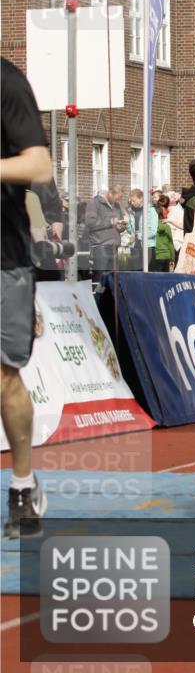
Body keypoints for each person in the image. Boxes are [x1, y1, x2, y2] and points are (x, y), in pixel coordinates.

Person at [1, 58, 52, 538]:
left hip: (4, 256)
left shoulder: (6, 81)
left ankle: (22, 482)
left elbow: (39, 165)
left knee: (2, 377)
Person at [85, 183, 125, 281]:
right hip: (100, 246)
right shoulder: (95, 203)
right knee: (100, 279)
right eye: (116, 198)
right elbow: (90, 223)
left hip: (114, 246)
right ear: (110, 193)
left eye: (119, 199)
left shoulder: (116, 205)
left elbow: (117, 223)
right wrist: (109, 222)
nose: (117, 201)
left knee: (113, 280)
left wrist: (121, 227)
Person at [125, 188, 158, 269]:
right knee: (135, 272)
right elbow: (130, 231)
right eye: (131, 201)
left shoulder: (151, 211)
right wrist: (126, 224)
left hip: (148, 246)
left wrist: (138, 236)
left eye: (134, 201)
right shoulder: (132, 212)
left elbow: (153, 231)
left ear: (141, 198)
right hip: (134, 246)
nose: (132, 203)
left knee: (147, 271)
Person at [152, 194, 176, 272]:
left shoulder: (153, 227)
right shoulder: (167, 227)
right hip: (166, 256)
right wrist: (172, 259)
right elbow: (170, 243)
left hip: (156, 255)